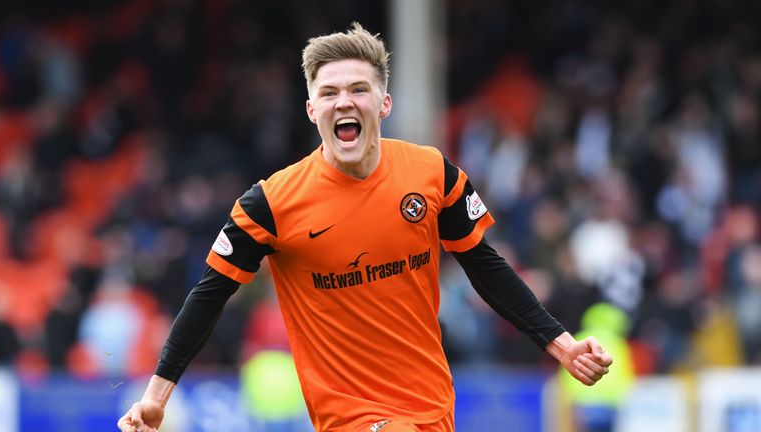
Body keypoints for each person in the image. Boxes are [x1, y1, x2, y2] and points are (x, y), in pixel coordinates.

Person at [118, 23, 613, 432]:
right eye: (328, 93)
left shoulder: (431, 174)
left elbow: (485, 265)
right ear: (312, 110)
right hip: (351, 420)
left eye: (358, 89)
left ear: (384, 103)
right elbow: (208, 296)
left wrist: (563, 346)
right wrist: (155, 398)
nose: (344, 102)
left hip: (432, 408)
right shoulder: (271, 204)